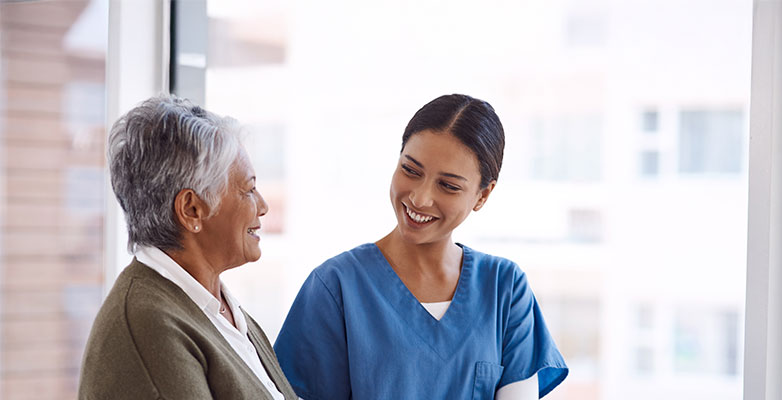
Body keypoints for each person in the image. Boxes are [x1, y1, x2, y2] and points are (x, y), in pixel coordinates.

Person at [274, 94, 568, 399]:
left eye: (448, 186)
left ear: (483, 196)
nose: (419, 198)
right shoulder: (335, 287)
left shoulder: (504, 289)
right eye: (411, 170)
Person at [78, 95, 297, 400]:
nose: (262, 206)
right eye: (248, 189)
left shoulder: (217, 307)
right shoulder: (149, 329)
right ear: (192, 209)